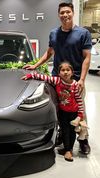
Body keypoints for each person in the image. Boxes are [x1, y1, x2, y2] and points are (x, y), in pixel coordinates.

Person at [23, 2, 92, 154]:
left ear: (72, 13)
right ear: (58, 14)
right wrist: (35, 66)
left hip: (75, 80)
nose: (65, 15)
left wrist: (81, 79)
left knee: (80, 110)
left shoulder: (83, 33)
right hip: (57, 80)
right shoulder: (54, 33)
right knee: (60, 110)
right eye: (62, 13)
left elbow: (87, 57)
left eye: (68, 12)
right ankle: (63, 135)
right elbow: (49, 53)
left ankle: (83, 139)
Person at [22, 62, 87, 162]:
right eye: (63, 70)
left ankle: (69, 150)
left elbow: (79, 100)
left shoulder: (75, 85)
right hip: (63, 112)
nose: (65, 72)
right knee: (65, 130)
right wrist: (31, 75)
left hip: (73, 113)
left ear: (72, 72)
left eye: (68, 70)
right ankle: (67, 149)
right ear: (59, 73)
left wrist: (80, 114)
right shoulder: (57, 81)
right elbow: (43, 77)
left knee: (71, 131)